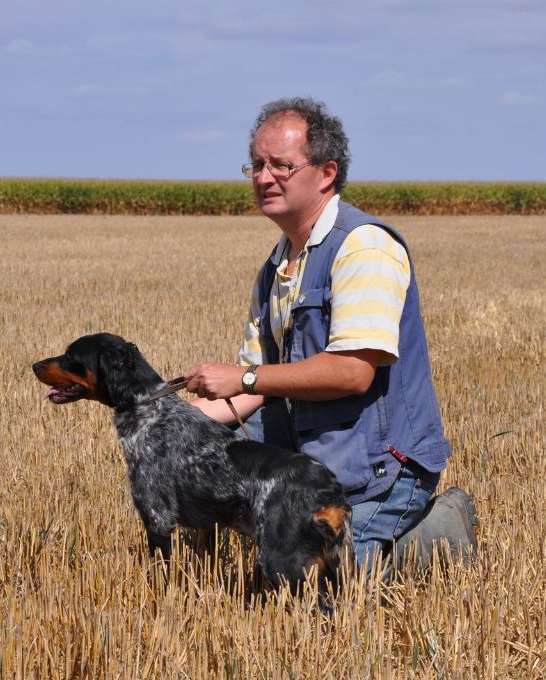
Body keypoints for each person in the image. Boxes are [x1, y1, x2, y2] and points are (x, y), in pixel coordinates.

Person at [184, 96, 477, 574]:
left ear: (325, 173)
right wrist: (167, 422)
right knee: (200, 453)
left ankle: (437, 533)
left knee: (315, 580)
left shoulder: (364, 247)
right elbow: (253, 389)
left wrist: (246, 378)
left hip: (380, 466)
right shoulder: (276, 267)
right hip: (312, 456)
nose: (263, 178)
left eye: (281, 165)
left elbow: (352, 373)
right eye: (256, 165)